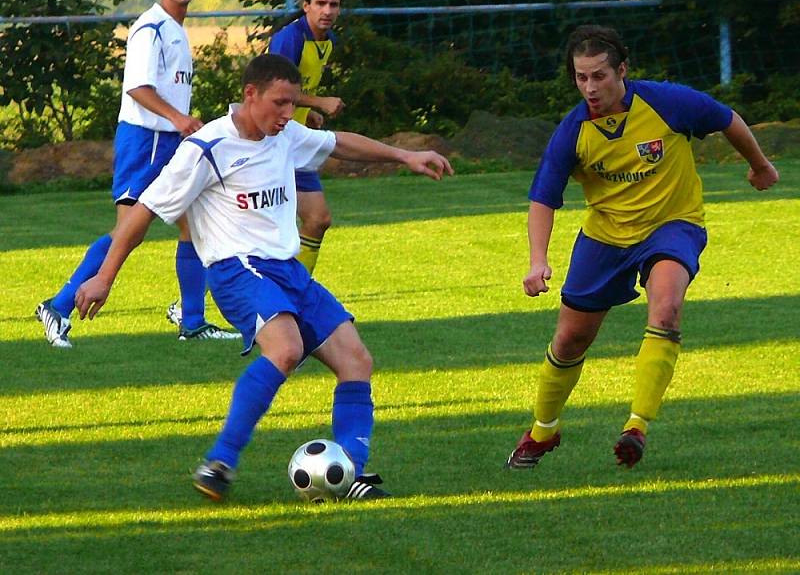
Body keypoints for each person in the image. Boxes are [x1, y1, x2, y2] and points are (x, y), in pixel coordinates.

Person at [74, 54, 454, 500]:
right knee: (287, 348)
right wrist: (104, 277)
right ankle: (220, 461)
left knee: (356, 360)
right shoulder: (206, 148)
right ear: (250, 94)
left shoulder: (285, 134)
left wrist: (404, 155)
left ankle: (349, 472)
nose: (288, 114)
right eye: (280, 103)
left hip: (287, 270)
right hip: (237, 269)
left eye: (293, 104)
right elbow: (143, 212)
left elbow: (336, 143)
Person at [506, 25, 779, 470]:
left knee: (666, 308)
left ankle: (637, 426)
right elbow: (543, 198)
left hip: (672, 225)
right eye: (581, 78)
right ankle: (543, 430)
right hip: (606, 237)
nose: (590, 88)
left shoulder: (668, 102)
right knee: (571, 338)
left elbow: (726, 118)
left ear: (622, 71)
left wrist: (760, 165)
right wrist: (538, 260)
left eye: (599, 76)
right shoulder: (573, 132)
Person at [35, 0, 237, 348]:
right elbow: (138, 88)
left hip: (169, 141)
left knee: (194, 225)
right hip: (147, 141)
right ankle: (57, 307)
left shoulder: (176, 29)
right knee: (127, 231)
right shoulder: (152, 28)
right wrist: (178, 118)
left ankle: (192, 321)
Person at [267, 0, 346, 275]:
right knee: (257, 234)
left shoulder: (326, 41)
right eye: (321, 3)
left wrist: (306, 112)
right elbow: (273, 90)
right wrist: (318, 102)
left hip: (292, 139)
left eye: (334, 5)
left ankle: (298, 290)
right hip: (268, 139)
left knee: (318, 219)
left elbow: (296, 90)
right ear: (306, 5)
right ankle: (190, 302)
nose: (327, 11)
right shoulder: (290, 38)